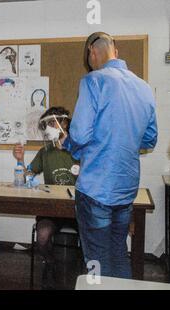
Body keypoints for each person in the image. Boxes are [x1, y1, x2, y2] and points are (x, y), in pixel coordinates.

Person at [63, 32, 158, 278]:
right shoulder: (144, 87)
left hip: (96, 188)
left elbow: (81, 135)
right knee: (118, 253)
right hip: (125, 189)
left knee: (97, 260)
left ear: (92, 54)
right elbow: (150, 139)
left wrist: (70, 145)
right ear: (115, 50)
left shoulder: (93, 81)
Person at [13, 106, 79, 289]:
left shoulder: (79, 150)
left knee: (92, 235)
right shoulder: (45, 152)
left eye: (51, 123)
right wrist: (20, 160)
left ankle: (85, 269)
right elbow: (28, 176)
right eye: (45, 125)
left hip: (79, 209)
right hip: (53, 210)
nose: (47, 128)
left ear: (64, 123)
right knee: (42, 236)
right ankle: (50, 263)